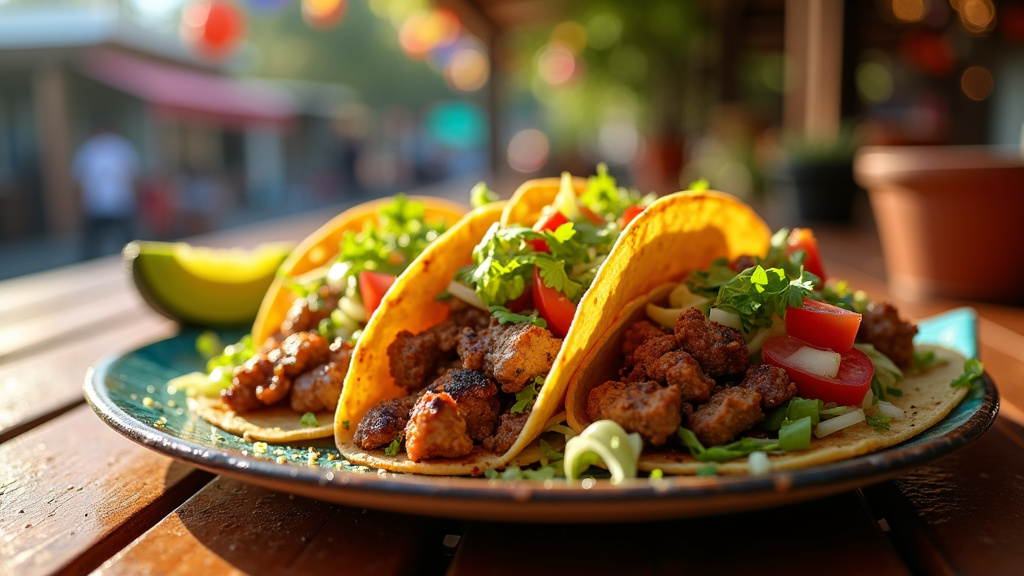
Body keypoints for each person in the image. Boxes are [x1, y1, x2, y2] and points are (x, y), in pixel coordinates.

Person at [72, 123, 140, 260]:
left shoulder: (121, 148)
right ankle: (87, 263)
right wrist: (80, 203)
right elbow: (79, 179)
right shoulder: (88, 150)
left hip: (120, 201)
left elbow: (133, 175)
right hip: (96, 203)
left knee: (128, 238)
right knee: (92, 242)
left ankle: (136, 259)